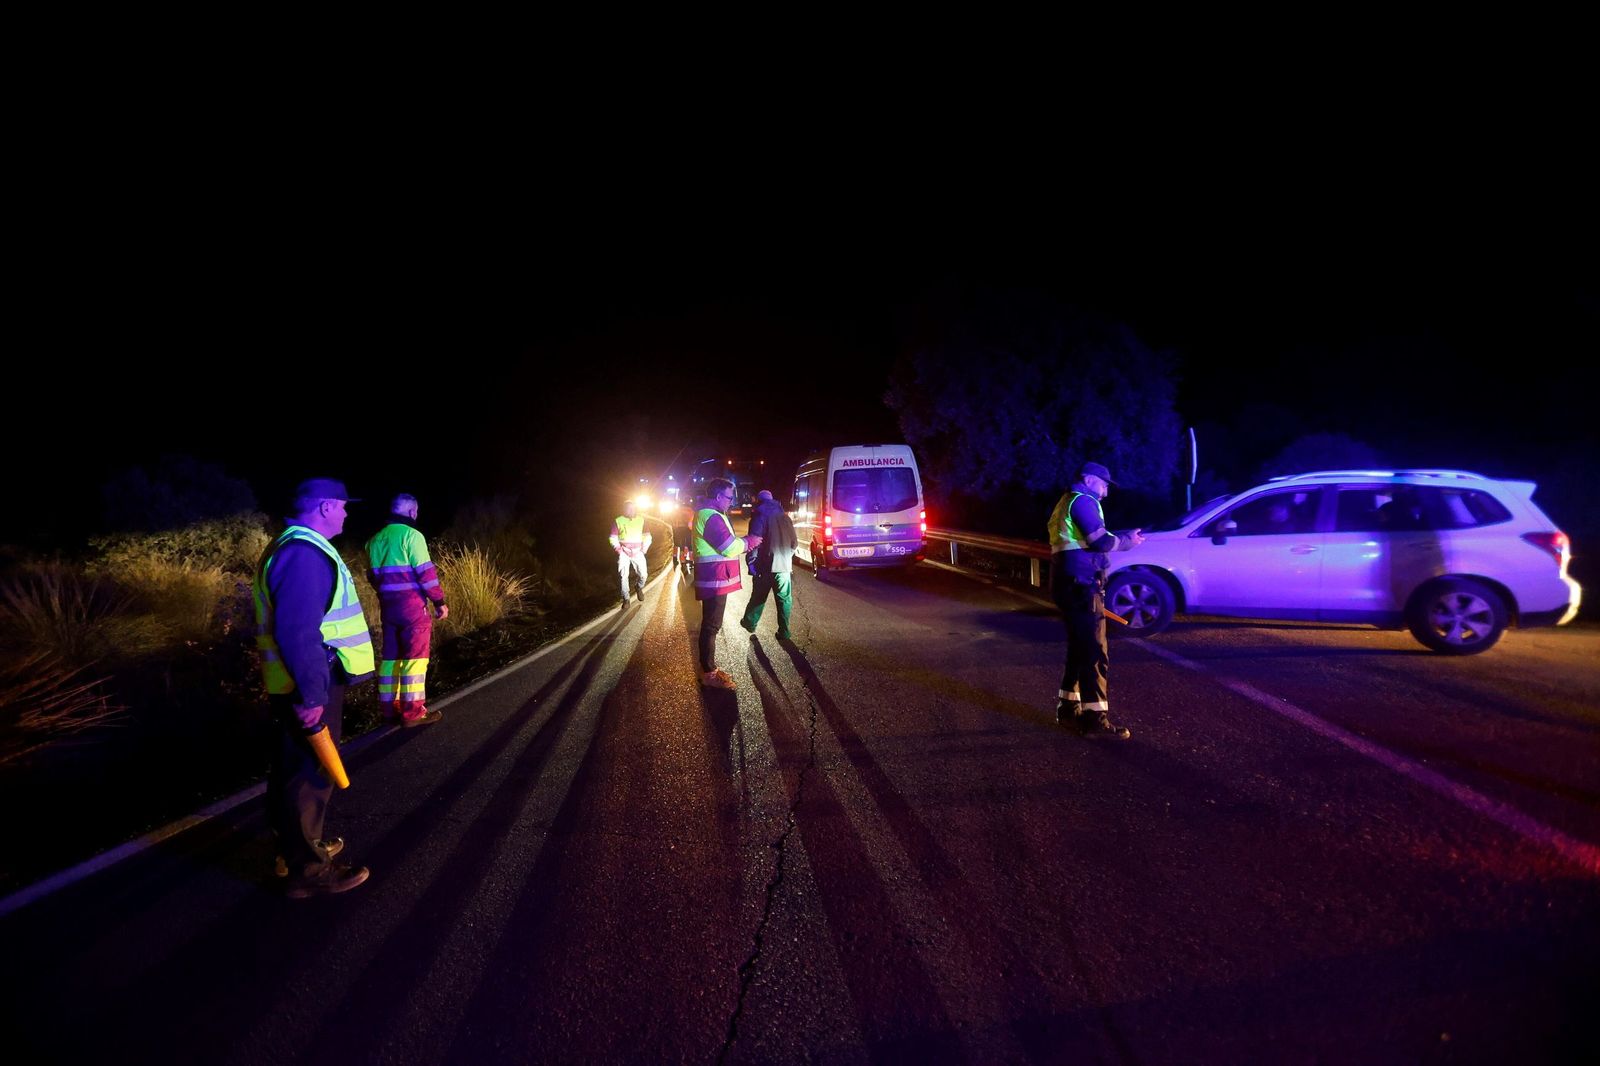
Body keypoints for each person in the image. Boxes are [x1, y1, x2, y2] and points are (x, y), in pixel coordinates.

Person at [252, 478, 376, 897]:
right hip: (305, 685)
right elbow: (298, 633)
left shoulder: (295, 548)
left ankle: (292, 850)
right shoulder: (304, 554)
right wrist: (312, 696)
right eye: (342, 507)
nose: (345, 514)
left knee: (291, 769)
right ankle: (309, 869)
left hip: (298, 682)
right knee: (309, 773)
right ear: (324, 507)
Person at [1046, 461, 1144, 739]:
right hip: (1082, 584)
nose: (1106, 492)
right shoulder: (1083, 502)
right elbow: (1101, 541)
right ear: (1089, 480)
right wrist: (1128, 541)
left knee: (1079, 648)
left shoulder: (1067, 501)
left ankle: (1067, 710)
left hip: (1068, 583)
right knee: (1094, 651)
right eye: (1104, 484)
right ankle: (1094, 720)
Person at [365, 493, 448, 728]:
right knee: (415, 660)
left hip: (388, 608)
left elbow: (372, 577)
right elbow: (426, 573)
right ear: (412, 512)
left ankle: (390, 710)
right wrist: (439, 601)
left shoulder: (373, 541)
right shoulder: (412, 536)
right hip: (412, 608)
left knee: (391, 660)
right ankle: (413, 713)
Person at [694, 478, 761, 688]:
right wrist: (750, 542)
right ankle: (709, 674)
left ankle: (709, 669)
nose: (731, 502)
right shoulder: (711, 516)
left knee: (711, 625)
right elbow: (729, 547)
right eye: (729, 498)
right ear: (718, 496)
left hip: (715, 578)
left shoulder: (711, 513)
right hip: (714, 579)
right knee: (711, 626)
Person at [739, 489, 798, 640]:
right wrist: (786, 557)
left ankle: (750, 623)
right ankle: (784, 631)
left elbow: (754, 542)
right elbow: (794, 543)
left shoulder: (759, 515)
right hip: (783, 566)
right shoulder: (785, 518)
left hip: (764, 565)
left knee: (759, 596)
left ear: (759, 501)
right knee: (784, 599)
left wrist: (751, 563)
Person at [609, 499, 653, 610]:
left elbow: (647, 536)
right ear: (624, 509)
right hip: (624, 552)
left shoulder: (641, 520)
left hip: (638, 552)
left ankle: (638, 587)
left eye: (633, 508)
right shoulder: (618, 521)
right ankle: (626, 599)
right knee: (623, 576)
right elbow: (612, 538)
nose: (631, 510)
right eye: (628, 508)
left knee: (643, 575)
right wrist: (619, 550)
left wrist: (644, 549)